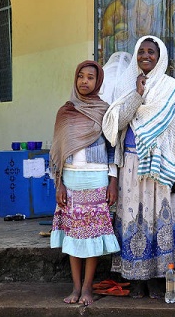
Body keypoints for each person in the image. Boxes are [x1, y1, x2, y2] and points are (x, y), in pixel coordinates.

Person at [102, 36, 175, 298]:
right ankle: (135, 279)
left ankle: (156, 278)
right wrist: (137, 94)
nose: (146, 55)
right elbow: (117, 125)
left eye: (151, 51)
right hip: (131, 162)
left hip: (161, 164)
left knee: (159, 219)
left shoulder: (171, 87)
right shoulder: (125, 84)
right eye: (141, 51)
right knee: (133, 218)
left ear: (160, 56)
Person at [50, 60, 120, 306]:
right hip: (70, 179)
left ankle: (88, 288)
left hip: (96, 178)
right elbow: (58, 151)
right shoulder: (65, 111)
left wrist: (113, 182)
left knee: (91, 237)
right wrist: (59, 184)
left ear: (98, 81)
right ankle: (76, 287)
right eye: (81, 76)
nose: (84, 81)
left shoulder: (105, 110)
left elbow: (113, 149)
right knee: (73, 236)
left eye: (90, 77)